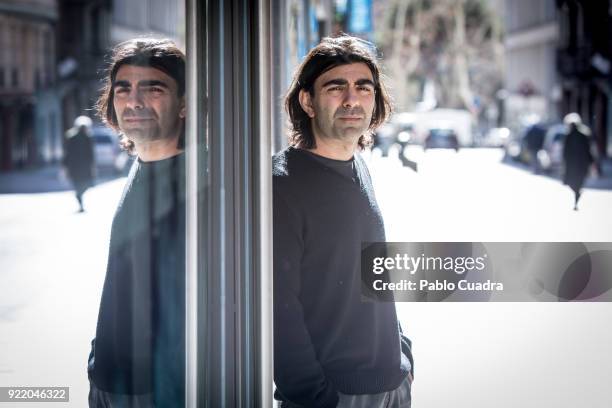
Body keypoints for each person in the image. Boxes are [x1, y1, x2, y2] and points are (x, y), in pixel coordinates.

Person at [273, 35, 414, 408]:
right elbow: (277, 308)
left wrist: (402, 351)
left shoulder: (358, 167)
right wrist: (315, 397)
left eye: (363, 88)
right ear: (308, 101)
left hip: (392, 385)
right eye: (336, 87)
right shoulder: (282, 185)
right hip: (336, 395)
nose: (353, 99)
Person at [87, 38, 187, 407]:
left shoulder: (197, 181)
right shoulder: (142, 166)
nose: (134, 101)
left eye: (153, 88)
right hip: (111, 382)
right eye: (123, 88)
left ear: (184, 103)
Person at [62, 115, 95, 212]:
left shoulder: (87, 137)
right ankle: (79, 198)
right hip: (79, 166)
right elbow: (68, 152)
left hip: (77, 166)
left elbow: (90, 153)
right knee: (82, 184)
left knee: (81, 184)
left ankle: (79, 196)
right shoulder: (73, 136)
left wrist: (65, 165)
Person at [562, 112, 594, 211]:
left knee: (573, 182)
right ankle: (577, 195)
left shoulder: (578, 135)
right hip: (581, 163)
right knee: (577, 182)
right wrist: (591, 161)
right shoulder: (572, 135)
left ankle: (576, 198)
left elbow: (587, 149)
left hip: (574, 163)